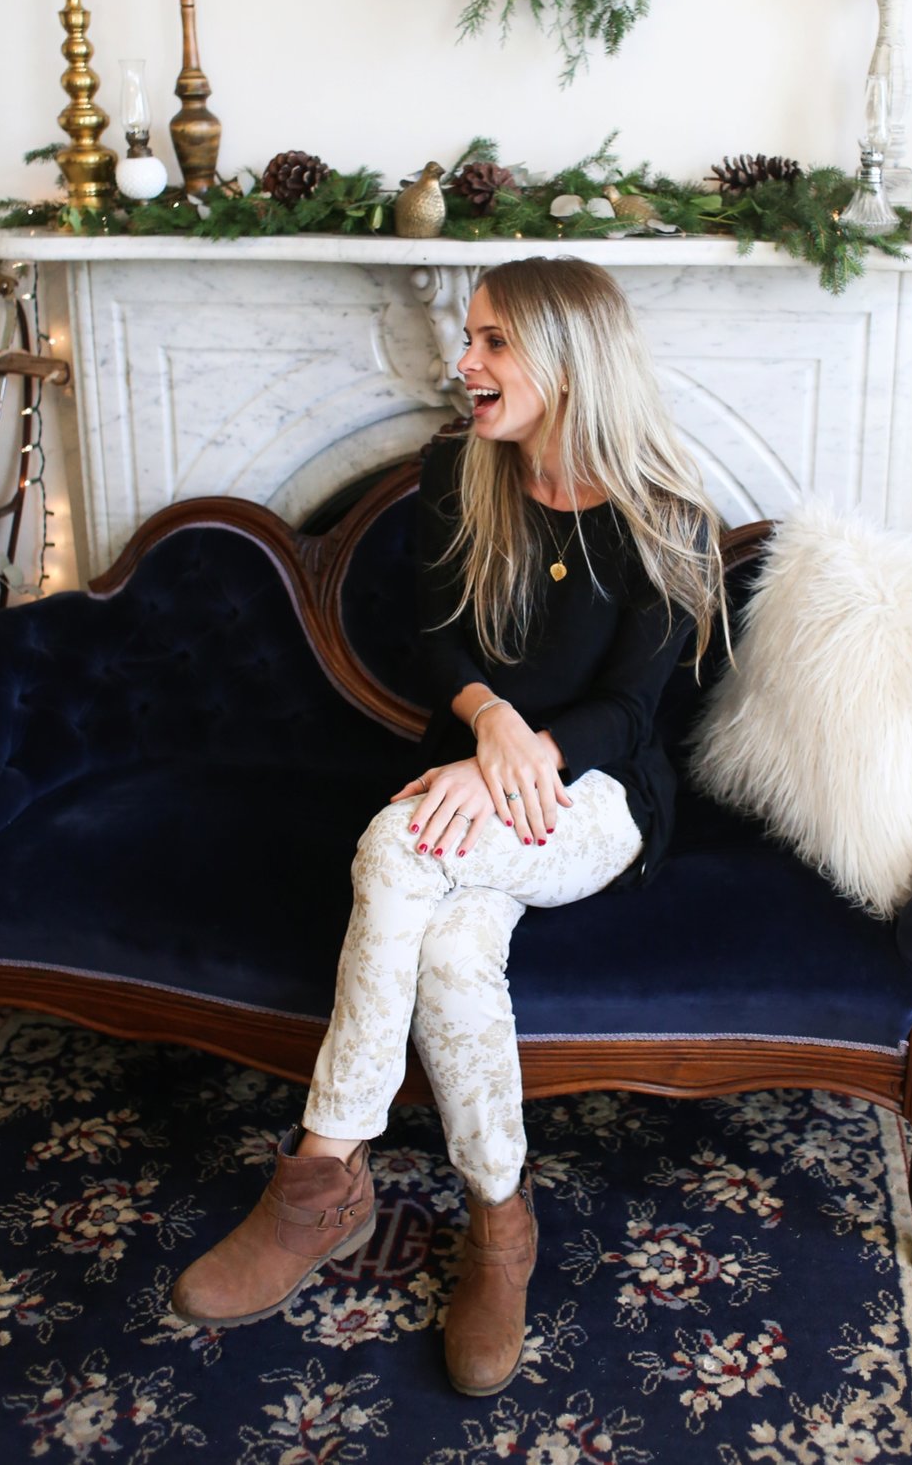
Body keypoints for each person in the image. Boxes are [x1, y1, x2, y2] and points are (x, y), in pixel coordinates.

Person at [169, 257, 727, 1396]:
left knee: (393, 846)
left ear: (569, 359)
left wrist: (530, 753)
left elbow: (630, 713)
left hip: (599, 796)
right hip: (475, 766)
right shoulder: (455, 470)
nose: (462, 362)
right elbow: (437, 640)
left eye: (492, 342)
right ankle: (500, 1222)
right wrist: (489, 723)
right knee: (459, 949)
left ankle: (322, 1176)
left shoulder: (665, 516)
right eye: (469, 338)